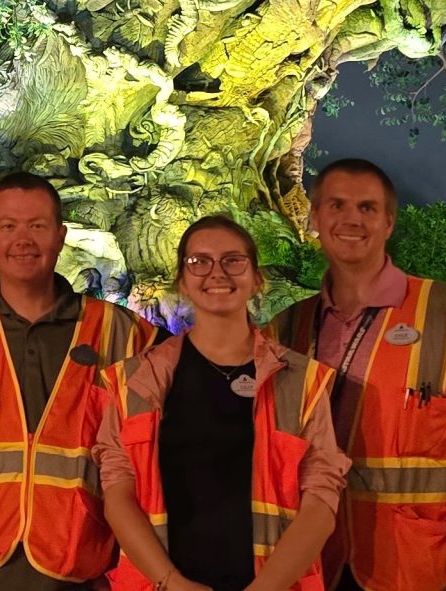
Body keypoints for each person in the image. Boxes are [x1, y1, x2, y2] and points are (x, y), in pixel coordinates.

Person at [0, 173, 160, 591]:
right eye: (9, 226)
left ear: (60, 235)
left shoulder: (122, 334)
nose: (23, 239)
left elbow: (147, 463)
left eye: (37, 225)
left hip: (77, 568)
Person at [268, 159, 446, 591]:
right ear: (314, 218)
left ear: (388, 222)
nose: (351, 219)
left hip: (419, 566)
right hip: (314, 564)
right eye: (336, 205)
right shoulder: (286, 328)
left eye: (367, 207)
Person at [96, 215, 350, 591]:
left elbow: (321, 500)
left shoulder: (302, 380)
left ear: (257, 279)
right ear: (182, 281)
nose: (217, 272)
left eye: (233, 260)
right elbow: (118, 492)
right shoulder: (135, 381)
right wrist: (171, 582)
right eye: (199, 261)